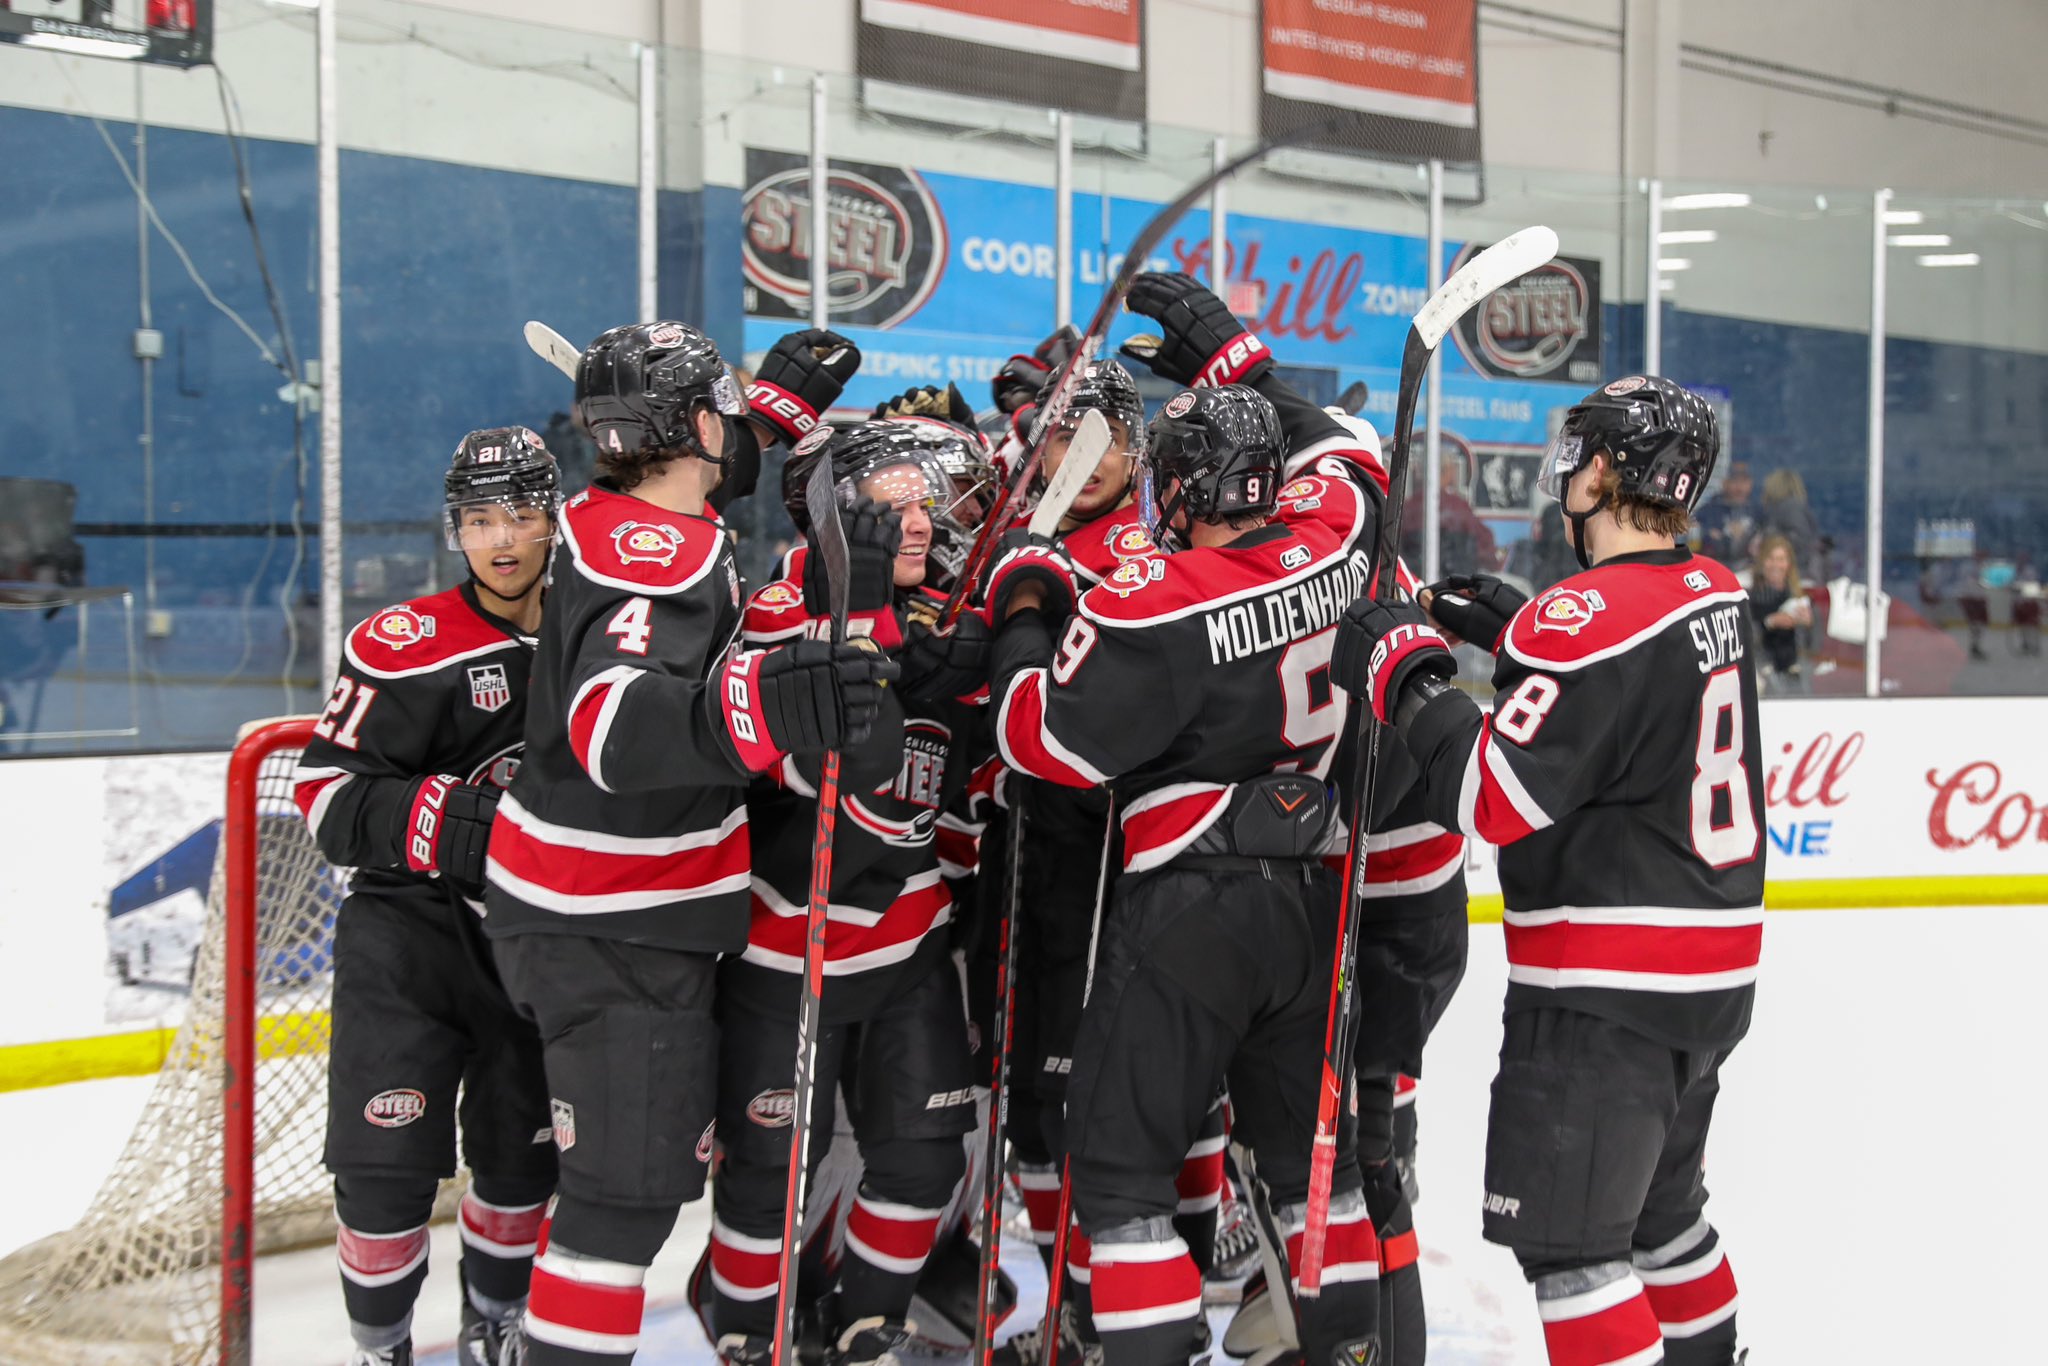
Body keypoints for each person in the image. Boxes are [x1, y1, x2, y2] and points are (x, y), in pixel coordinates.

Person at [481, 322, 894, 1366]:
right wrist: (768, 699)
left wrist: (775, 409)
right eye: (729, 409)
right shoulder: (646, 548)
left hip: (582, 905)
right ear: (696, 423)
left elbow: (716, 479)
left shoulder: (622, 511)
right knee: (620, 1205)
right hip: (614, 917)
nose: (742, 429)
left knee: (620, 1192)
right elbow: (614, 730)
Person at [1329, 374, 1758, 1366]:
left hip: (1603, 987)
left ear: (1604, 468)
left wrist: (1411, 673)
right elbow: (1626, 697)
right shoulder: (1714, 592)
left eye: (1580, 451)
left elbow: (1489, 799)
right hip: (1706, 982)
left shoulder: (1584, 619)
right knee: (1663, 1223)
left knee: (1571, 1252)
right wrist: (1515, 634)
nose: (1567, 469)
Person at [988, 321, 1388, 1366]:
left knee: (1118, 1179)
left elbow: (1039, 741)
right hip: (1313, 905)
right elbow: (1346, 452)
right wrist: (1240, 364)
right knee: (1318, 1179)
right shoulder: (1338, 541)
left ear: (1167, 488)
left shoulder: (1152, 599)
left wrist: (1023, 603)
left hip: (1189, 907)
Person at [704, 422, 985, 1366]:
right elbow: (826, 772)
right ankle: (749, 1331)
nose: (917, 522)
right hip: (787, 948)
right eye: (889, 504)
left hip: (908, 946)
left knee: (924, 1154)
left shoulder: (942, 616)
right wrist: (871, 637)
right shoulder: (781, 609)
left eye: (923, 501)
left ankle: (871, 1319)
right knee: (766, 1175)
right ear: (832, 517)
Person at [291, 427, 563, 1366]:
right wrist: (455, 821)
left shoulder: (599, 635)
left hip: (539, 943)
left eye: (521, 515)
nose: (501, 539)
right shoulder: (404, 643)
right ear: (456, 530)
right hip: (409, 941)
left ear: (553, 519)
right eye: (480, 519)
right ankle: (383, 1348)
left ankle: (494, 1324)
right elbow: (326, 795)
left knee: (523, 1162)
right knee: (381, 1172)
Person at [1746, 534, 1810, 693]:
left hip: (1797, 679)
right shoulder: (1749, 597)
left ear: (1789, 564)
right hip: (1763, 676)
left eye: (1781, 559)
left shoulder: (1799, 598)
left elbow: (1812, 646)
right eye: (1771, 558)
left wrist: (1808, 624)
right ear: (1762, 562)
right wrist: (1769, 622)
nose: (1776, 565)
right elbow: (1743, 639)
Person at [1692, 461, 1757, 574]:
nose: (1739, 487)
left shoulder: (1757, 511)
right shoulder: (1708, 510)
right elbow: (1694, 539)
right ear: (1725, 483)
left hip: (1749, 573)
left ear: (1750, 483)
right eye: (1735, 481)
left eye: (1744, 481)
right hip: (1714, 572)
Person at [1760, 467, 1821, 581]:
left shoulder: (1790, 508)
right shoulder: (1788, 508)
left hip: (1797, 573)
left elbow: (1799, 539)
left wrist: (1768, 536)